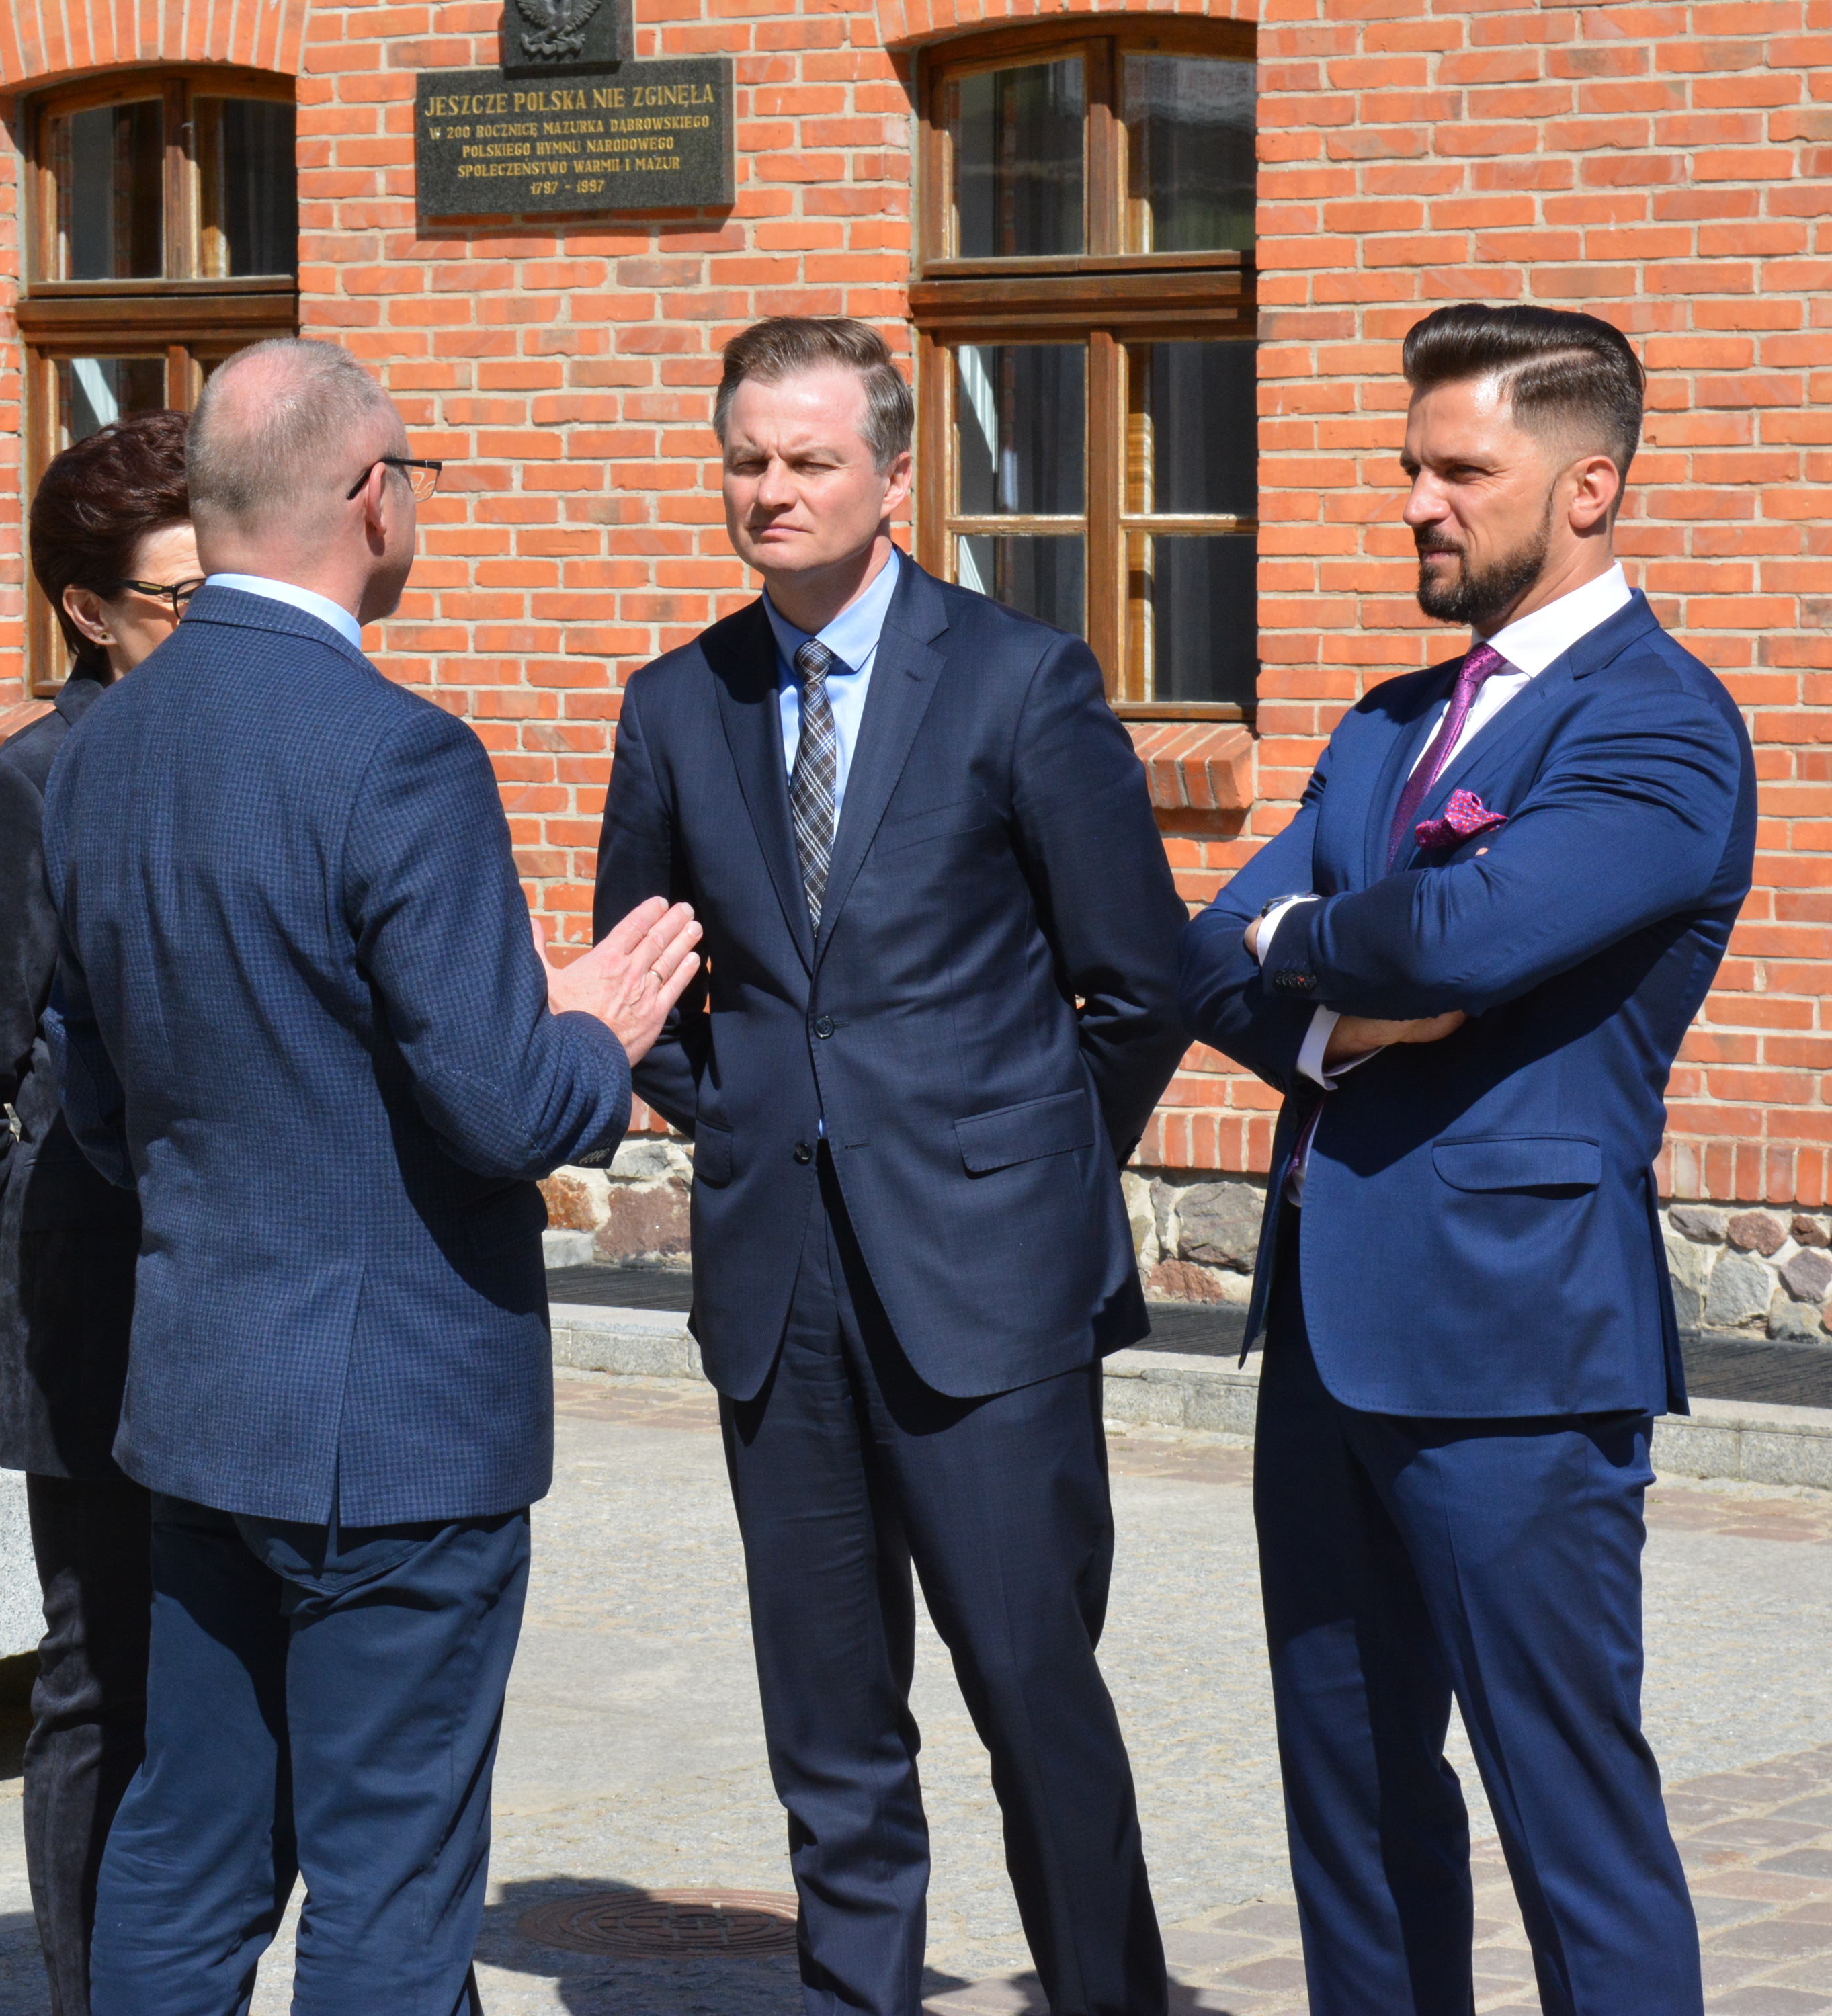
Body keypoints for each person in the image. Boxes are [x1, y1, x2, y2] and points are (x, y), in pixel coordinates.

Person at [40, 337, 702, 2016]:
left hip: (200, 1393)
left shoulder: (101, 744)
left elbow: (100, 1102)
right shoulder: (399, 754)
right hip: (394, 1425)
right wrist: (595, 1032)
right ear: (368, 499)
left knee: (189, 1854)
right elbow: (504, 1110)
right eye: (412, 473)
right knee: (390, 1897)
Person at [595, 316, 1190, 2016]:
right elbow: (642, 974)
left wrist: (1019, 1172)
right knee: (829, 1719)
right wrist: (736, 1113)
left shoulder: (1019, 680)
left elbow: (1139, 984)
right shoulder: (678, 702)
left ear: (896, 475)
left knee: (1031, 1691)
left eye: (809, 460)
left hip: (984, 1292)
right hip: (776, 1285)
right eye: (745, 461)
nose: (770, 491)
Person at [1177, 304, 1755, 2015]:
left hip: (1515, 1348)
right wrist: (1346, 1017)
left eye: (1459, 471)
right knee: (1352, 1800)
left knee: (1568, 1818)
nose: (1417, 503)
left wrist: (1326, 942)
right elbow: (1207, 954)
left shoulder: (1658, 725)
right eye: (1409, 467)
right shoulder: (1384, 724)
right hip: (1326, 1339)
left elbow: (1462, 940)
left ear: (1587, 486)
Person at [0, 408, 197, 2016]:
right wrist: (35, 1297)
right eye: (184, 601)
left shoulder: (257, 755)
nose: (219, 626)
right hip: (97, 1333)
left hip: (249, 1321)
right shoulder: (27, 789)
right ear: (89, 610)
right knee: (107, 1692)